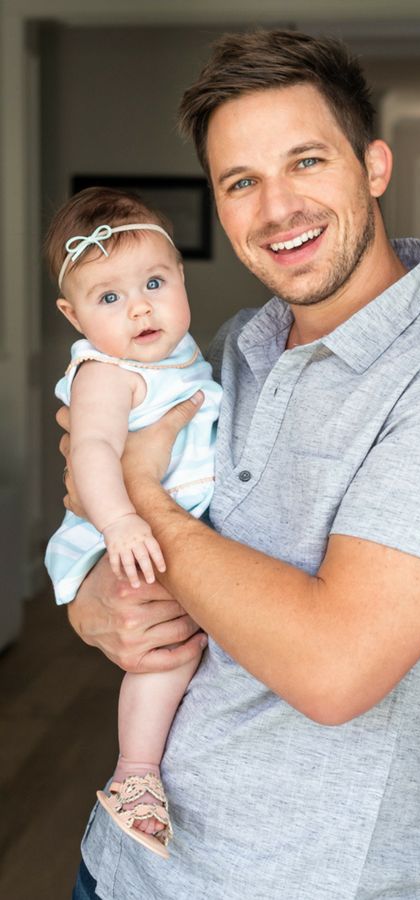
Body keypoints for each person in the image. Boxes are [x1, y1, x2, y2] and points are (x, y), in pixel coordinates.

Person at [62, 30, 420, 900]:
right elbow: (127, 579)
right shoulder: (231, 350)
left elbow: (335, 671)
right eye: (241, 182)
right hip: (126, 863)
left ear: (373, 166)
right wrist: (96, 608)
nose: (278, 207)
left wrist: (142, 496)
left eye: (306, 161)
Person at [44, 187, 221, 859]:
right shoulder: (106, 373)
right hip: (119, 540)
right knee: (164, 654)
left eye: (154, 281)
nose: (140, 306)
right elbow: (89, 452)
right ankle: (135, 776)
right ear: (74, 315)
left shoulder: (179, 357)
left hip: (162, 530)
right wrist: (120, 522)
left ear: (179, 275)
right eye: (109, 298)